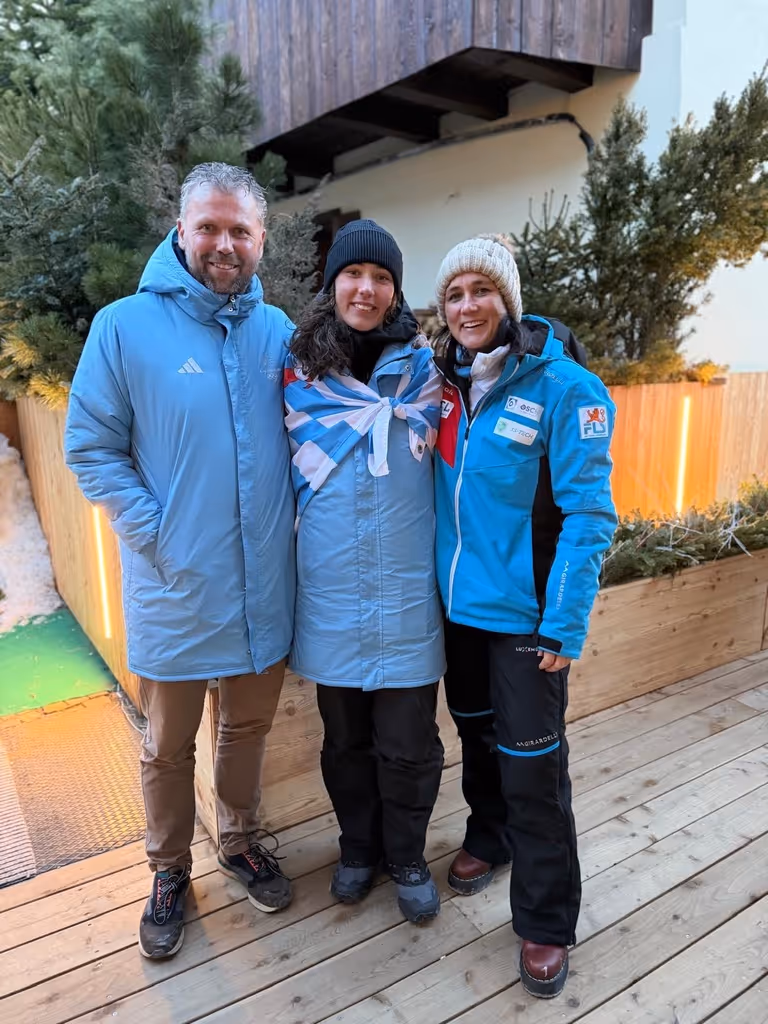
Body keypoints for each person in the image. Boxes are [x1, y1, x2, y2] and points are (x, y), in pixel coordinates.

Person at [65, 163, 296, 960]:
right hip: (175, 583)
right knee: (167, 744)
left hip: (265, 583)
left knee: (248, 726)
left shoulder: (278, 333)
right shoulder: (123, 327)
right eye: (209, 227)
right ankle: (168, 869)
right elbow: (90, 446)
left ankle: (240, 840)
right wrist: (158, 534)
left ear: (261, 240)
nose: (224, 244)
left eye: (240, 231)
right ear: (180, 230)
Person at [432, 234, 617, 997]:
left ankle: (545, 920)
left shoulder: (567, 389)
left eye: (482, 290)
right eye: (454, 294)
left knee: (534, 766)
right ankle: (490, 834)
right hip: (459, 612)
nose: (467, 305)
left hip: (526, 619)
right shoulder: (446, 385)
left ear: (508, 300)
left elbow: (590, 514)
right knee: (477, 736)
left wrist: (564, 622)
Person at [285, 219, 446, 924]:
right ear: (332, 283)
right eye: (354, 273)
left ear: (395, 291)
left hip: (406, 595)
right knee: (345, 742)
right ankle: (357, 849)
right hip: (331, 593)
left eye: (382, 278)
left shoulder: (427, 375)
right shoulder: (299, 376)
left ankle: (406, 856)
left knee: (409, 745)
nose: (367, 288)